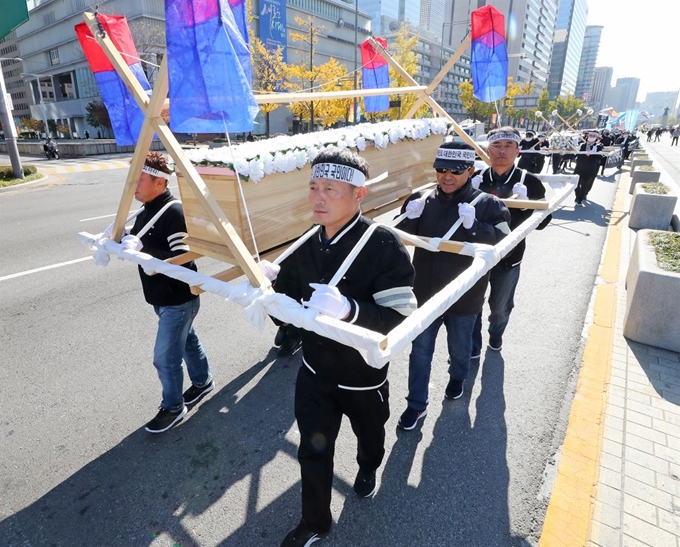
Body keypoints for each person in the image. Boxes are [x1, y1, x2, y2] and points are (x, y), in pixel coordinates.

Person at [264, 148, 417, 546]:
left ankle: (369, 465)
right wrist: (268, 294)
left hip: (362, 376)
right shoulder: (304, 243)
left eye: (331, 189)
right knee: (312, 452)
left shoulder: (383, 243)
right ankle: (315, 522)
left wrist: (350, 310)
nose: (318, 197)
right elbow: (287, 321)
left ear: (359, 194)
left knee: (371, 435)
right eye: (314, 187)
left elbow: (402, 318)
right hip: (314, 372)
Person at [396, 141, 511, 430]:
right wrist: (409, 218)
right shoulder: (421, 199)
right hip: (425, 294)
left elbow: (506, 242)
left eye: (456, 171)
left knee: (460, 350)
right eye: (441, 170)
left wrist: (474, 227)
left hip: (465, 296)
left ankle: (458, 377)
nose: (447, 176)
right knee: (420, 350)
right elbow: (396, 240)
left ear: (471, 171)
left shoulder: (489, 204)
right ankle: (416, 404)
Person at [119, 152, 213, 434]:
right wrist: (119, 235)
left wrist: (141, 249)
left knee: (164, 357)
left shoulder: (172, 211)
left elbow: (182, 256)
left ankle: (173, 408)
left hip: (178, 299)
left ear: (159, 182)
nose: (134, 185)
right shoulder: (147, 208)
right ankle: (203, 381)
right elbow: (140, 241)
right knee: (186, 342)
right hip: (162, 297)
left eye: (140, 179)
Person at [472, 127, 552, 354]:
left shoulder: (530, 181)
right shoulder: (476, 179)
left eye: (508, 146)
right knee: (471, 304)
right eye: (496, 146)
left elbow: (545, 221)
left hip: (510, 257)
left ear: (518, 150)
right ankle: (473, 345)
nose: (502, 151)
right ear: (487, 151)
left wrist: (527, 204)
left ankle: (495, 335)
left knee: (499, 307)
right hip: (475, 253)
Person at [573, 131, 604, 207]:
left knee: (584, 186)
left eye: (593, 136)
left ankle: (579, 200)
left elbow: (600, 157)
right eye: (590, 135)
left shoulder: (598, 147)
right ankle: (577, 196)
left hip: (590, 170)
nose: (591, 137)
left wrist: (594, 153)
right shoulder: (581, 145)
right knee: (575, 184)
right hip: (579, 168)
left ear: (596, 138)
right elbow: (575, 154)